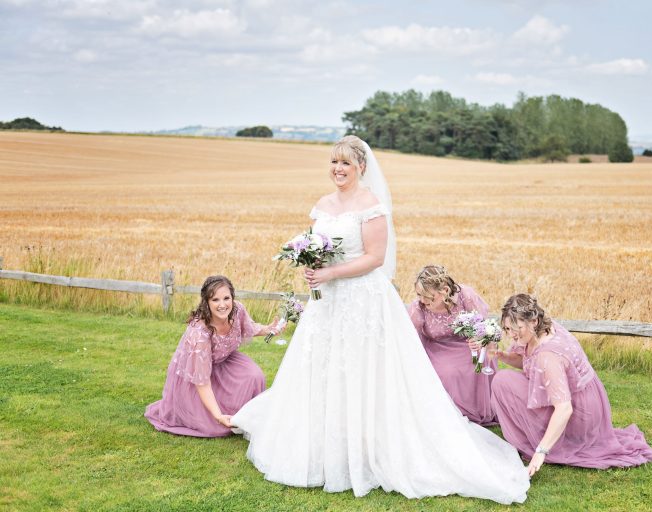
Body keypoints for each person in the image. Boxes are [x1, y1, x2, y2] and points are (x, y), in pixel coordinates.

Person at [232, 136, 529, 504]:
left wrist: (330, 273)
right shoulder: (321, 205)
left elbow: (375, 258)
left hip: (363, 301)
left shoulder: (371, 206)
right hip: (327, 303)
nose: (338, 169)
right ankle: (326, 444)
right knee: (325, 368)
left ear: (361, 167)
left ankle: (369, 445)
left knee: (363, 369)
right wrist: (312, 266)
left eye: (346, 163)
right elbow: (318, 248)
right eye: (334, 162)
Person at [488, 293, 652, 476]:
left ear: (533, 321)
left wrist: (540, 452)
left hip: (579, 414)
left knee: (502, 381)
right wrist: (502, 355)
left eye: (516, 328)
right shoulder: (544, 329)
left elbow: (564, 408)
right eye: (507, 329)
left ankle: (537, 441)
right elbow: (528, 362)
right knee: (504, 379)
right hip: (585, 399)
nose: (511, 334)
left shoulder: (548, 356)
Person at [145, 275, 283, 437]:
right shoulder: (200, 333)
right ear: (207, 302)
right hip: (197, 372)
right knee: (214, 427)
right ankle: (217, 412)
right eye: (215, 300)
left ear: (232, 297)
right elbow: (202, 382)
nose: (222, 305)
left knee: (254, 375)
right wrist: (218, 416)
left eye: (226, 298)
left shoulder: (237, 310)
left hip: (224, 360)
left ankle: (248, 414)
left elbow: (248, 327)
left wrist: (268, 329)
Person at [407, 265, 497, 425]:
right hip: (437, 348)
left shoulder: (465, 296)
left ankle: (480, 408)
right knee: (448, 372)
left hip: (467, 344)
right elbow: (412, 341)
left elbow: (482, 325)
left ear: (445, 290)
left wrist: (479, 340)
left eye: (428, 296)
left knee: (481, 360)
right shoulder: (418, 308)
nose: (422, 300)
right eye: (419, 295)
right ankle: (453, 412)